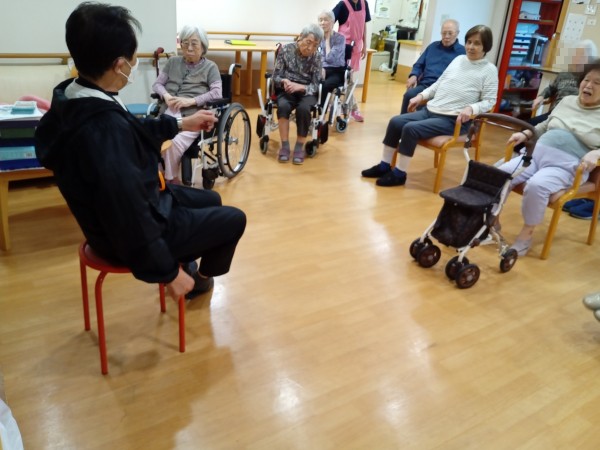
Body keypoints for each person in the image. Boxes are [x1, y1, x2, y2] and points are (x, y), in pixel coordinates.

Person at [34, 2, 246, 301]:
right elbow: (127, 213)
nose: (135, 64)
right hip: (126, 236)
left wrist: (182, 123)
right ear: (119, 65)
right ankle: (198, 280)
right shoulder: (103, 131)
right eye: (134, 59)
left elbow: (131, 128)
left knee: (210, 199)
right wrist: (167, 272)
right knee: (234, 219)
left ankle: (186, 254)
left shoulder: (76, 93)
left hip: (124, 211)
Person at [361, 25, 498, 187]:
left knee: (410, 129)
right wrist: (421, 96)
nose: (471, 47)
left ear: (486, 47)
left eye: (477, 43)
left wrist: (471, 108)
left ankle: (399, 174)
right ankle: (384, 166)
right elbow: (438, 84)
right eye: (469, 42)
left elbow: (490, 101)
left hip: (454, 120)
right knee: (395, 122)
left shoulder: (489, 70)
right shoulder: (458, 60)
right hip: (432, 110)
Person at [497, 60, 600, 257]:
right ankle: (492, 222)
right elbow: (545, 125)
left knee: (536, 185)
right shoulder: (567, 101)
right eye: (587, 80)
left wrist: (596, 153)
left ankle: (526, 235)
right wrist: (526, 134)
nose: (589, 85)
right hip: (535, 157)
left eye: (597, 83)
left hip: (566, 166)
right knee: (501, 174)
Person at [152, 25, 222, 184]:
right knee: (153, 139)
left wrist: (191, 101)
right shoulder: (172, 62)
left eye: (194, 43)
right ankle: (158, 175)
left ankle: (170, 180)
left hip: (194, 115)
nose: (189, 48)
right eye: (185, 43)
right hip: (168, 111)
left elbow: (217, 93)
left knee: (173, 144)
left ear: (203, 46)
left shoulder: (211, 67)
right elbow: (157, 84)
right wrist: (166, 96)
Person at [272, 23, 323, 165]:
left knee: (304, 109)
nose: (310, 48)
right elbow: (276, 76)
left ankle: (299, 147)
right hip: (287, 89)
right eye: (308, 42)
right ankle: (285, 146)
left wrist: (300, 87)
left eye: (315, 45)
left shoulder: (317, 57)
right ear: (301, 37)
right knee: (283, 106)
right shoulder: (286, 50)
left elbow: (316, 85)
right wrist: (284, 81)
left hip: (306, 92)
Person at [400, 19, 465, 115]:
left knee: (428, 109)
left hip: (444, 90)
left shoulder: (462, 53)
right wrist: (413, 75)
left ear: (457, 33)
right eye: (444, 33)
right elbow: (419, 64)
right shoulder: (432, 47)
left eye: (450, 33)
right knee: (409, 95)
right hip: (425, 85)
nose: (446, 36)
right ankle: (403, 120)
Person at [332, 0, 371, 122]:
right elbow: (329, 21)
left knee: (348, 79)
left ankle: (349, 107)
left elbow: (363, 25)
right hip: (343, 47)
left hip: (356, 46)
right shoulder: (342, 4)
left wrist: (364, 44)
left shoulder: (364, 3)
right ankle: (352, 108)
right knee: (347, 79)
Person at [318, 10, 347, 107]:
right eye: (320, 20)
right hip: (321, 69)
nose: (322, 23)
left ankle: (321, 110)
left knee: (325, 85)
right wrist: (321, 68)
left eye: (325, 20)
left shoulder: (340, 38)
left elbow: (330, 58)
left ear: (332, 22)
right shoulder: (317, 38)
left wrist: (327, 40)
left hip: (336, 71)